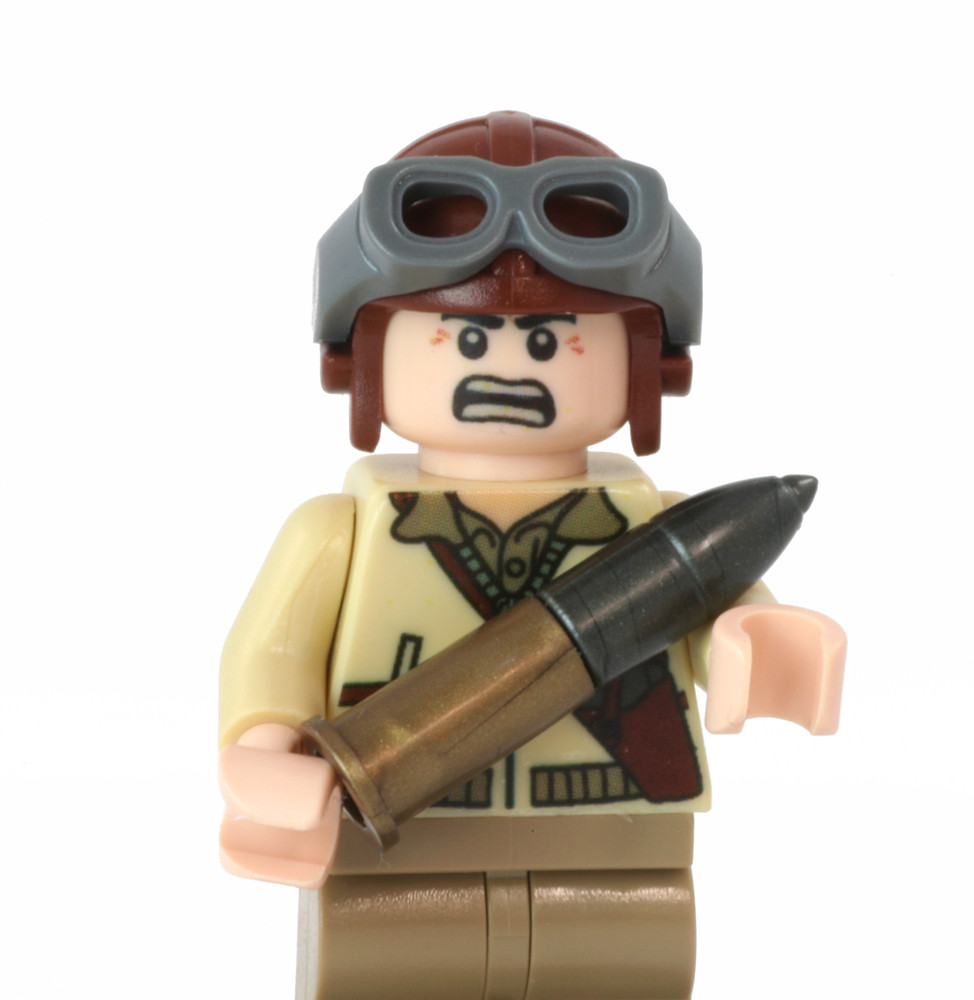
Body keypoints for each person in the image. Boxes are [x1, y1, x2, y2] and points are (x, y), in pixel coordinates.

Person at [218, 111, 846, 1000]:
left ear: (646, 366)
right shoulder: (337, 528)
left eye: (550, 339)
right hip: (390, 841)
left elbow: (717, 618)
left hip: (613, 837)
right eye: (467, 335)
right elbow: (271, 651)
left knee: (616, 971)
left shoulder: (658, 522)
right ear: (363, 360)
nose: (508, 366)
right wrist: (266, 746)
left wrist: (750, 642)